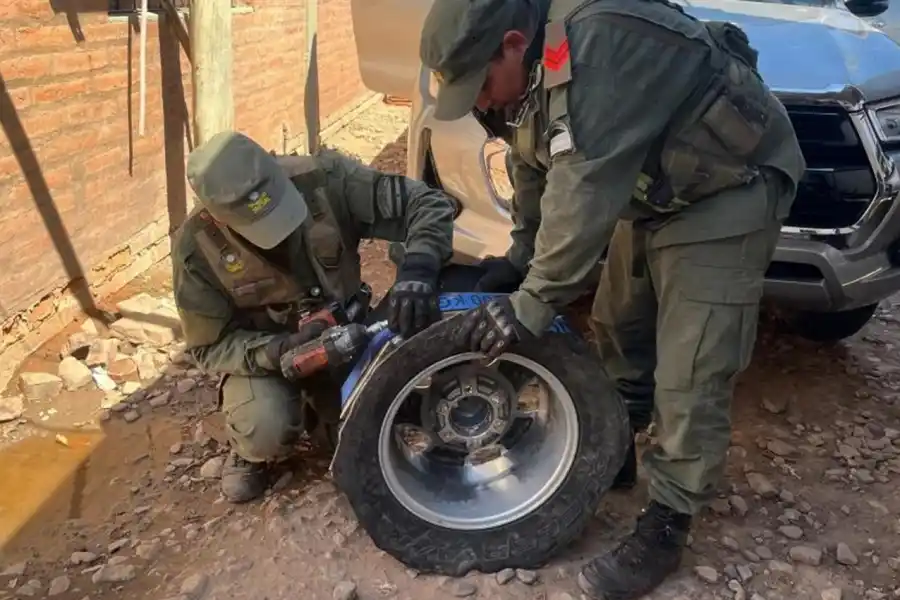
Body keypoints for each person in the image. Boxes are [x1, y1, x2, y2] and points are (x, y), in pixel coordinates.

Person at [419, 0, 805, 597]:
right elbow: (531, 162)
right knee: (619, 324)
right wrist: (520, 257)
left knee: (692, 362)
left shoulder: (596, 46)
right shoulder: (526, 75)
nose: (481, 102)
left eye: (481, 84)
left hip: (729, 186)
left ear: (513, 44)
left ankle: (669, 519)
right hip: (653, 187)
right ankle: (619, 445)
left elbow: (582, 193)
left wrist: (532, 301)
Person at [171, 131, 456, 503]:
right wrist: (280, 351)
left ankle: (322, 411)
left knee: (357, 438)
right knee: (265, 428)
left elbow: (428, 204)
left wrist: (418, 270)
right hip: (272, 359)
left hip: (348, 338)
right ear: (216, 216)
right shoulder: (197, 249)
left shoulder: (324, 180)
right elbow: (209, 347)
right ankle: (250, 449)